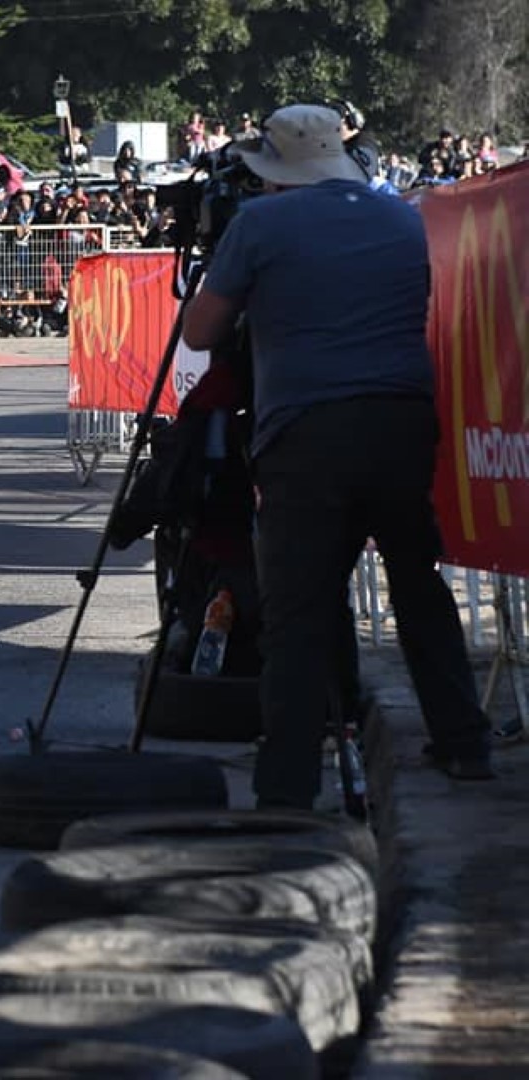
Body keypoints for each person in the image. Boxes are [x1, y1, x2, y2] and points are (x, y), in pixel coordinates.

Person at [182, 103, 494, 809]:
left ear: (280, 173)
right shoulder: (399, 218)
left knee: (299, 610)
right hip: (402, 421)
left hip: (306, 430)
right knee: (419, 584)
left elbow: (201, 332)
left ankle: (287, 785)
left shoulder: (260, 224)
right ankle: (465, 743)